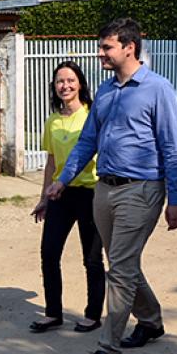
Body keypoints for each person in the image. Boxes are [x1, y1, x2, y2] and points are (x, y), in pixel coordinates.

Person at [46, 18, 177, 354]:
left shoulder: (158, 89)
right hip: (103, 190)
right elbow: (87, 142)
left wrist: (176, 197)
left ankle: (107, 350)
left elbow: (172, 148)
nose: (100, 53)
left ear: (129, 47)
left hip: (141, 189)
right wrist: (62, 180)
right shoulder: (106, 92)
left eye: (106, 46)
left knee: (120, 270)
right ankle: (151, 320)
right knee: (121, 263)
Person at [29, 61, 106, 334]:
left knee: (93, 258)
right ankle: (52, 313)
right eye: (60, 81)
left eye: (70, 80)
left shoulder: (91, 115)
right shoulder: (52, 120)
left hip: (90, 192)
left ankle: (93, 314)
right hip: (60, 193)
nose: (65, 86)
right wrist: (44, 198)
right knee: (49, 253)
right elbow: (51, 163)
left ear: (80, 84)